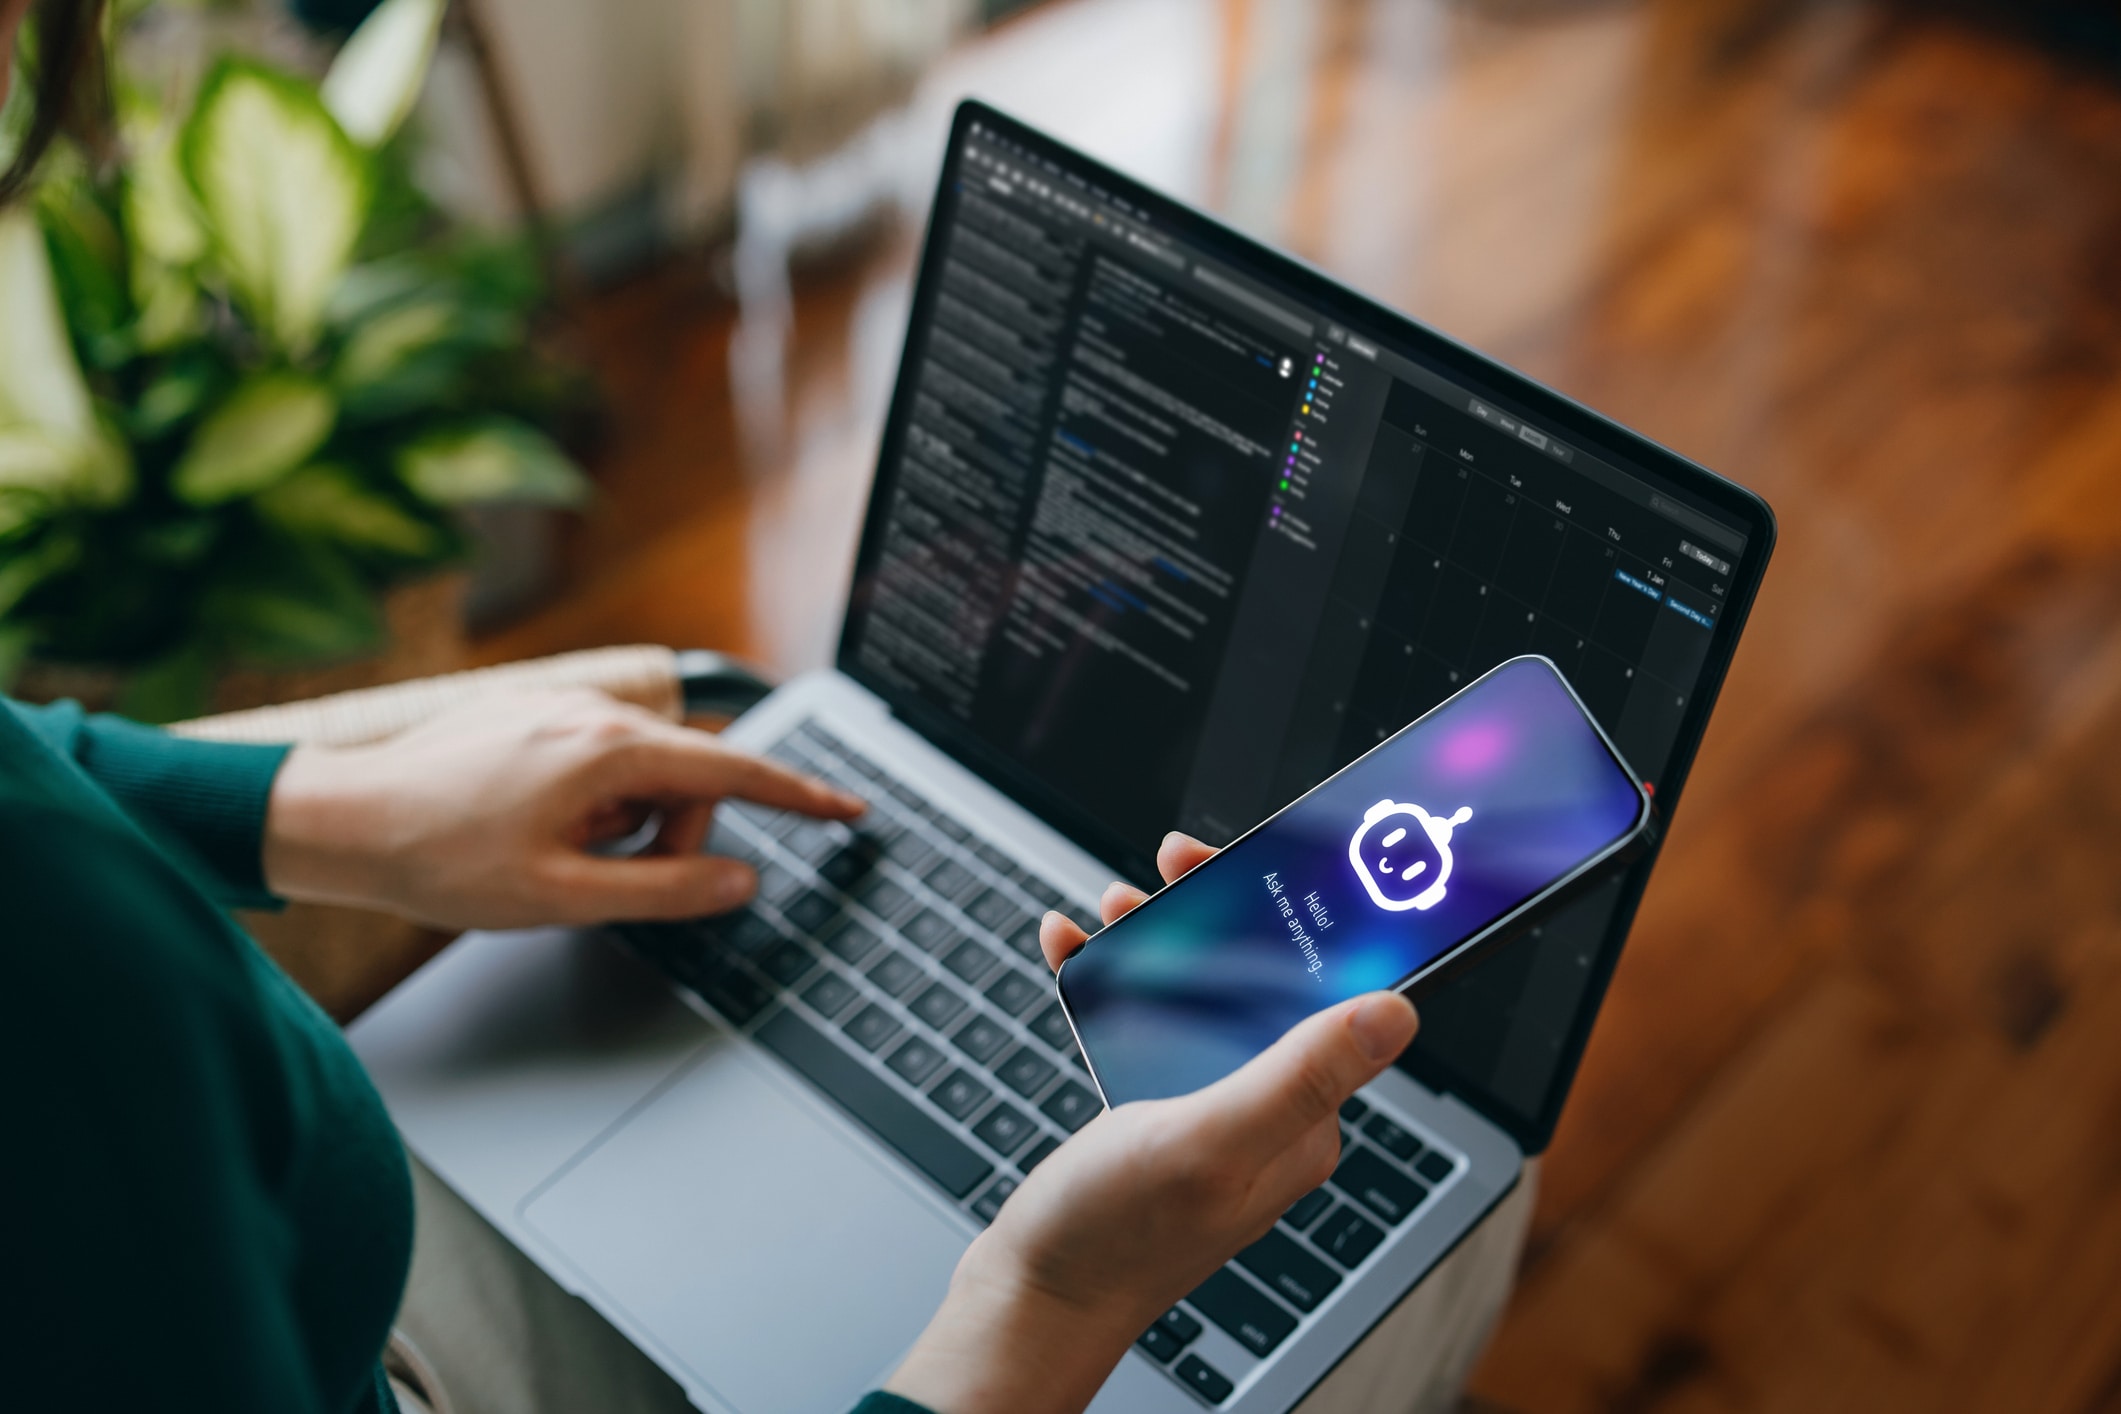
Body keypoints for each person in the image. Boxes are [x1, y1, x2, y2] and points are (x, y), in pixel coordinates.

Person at [0, 5, 1421, 1411]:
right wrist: (1052, 1299)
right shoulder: (64, 988)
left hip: (326, 1298)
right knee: (1419, 1261)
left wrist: (333, 811)